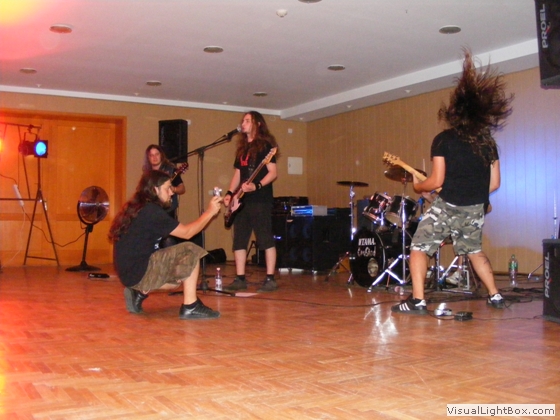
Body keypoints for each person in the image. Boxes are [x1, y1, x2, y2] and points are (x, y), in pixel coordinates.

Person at [392, 48, 514, 314]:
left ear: (455, 113)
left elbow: (436, 179)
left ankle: (418, 300)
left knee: (419, 246)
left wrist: (418, 186)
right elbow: (494, 184)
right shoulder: (488, 143)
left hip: (448, 205)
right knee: (474, 250)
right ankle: (495, 296)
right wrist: (472, 194)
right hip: (475, 207)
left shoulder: (444, 140)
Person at [109, 170, 222, 319]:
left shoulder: (139, 208)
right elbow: (187, 233)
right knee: (191, 250)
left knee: (177, 279)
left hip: (130, 273)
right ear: (155, 189)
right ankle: (191, 306)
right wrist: (209, 212)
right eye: (168, 188)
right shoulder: (151, 211)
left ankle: (138, 292)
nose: (172, 192)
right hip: (138, 271)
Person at [222, 111, 279, 292]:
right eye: (243, 120)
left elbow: (273, 173)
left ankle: (270, 279)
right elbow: (238, 174)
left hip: (260, 200)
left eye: (248, 120)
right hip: (242, 201)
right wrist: (230, 193)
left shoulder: (266, 147)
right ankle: (240, 279)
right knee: (239, 240)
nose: (243, 123)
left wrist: (257, 186)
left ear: (258, 124)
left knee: (265, 238)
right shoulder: (242, 149)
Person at [143, 144, 186, 220]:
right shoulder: (147, 174)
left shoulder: (171, 171)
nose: (154, 157)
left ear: (161, 155)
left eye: (157, 154)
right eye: (151, 155)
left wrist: (174, 189)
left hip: (168, 210)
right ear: (148, 158)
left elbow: (182, 189)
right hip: (152, 211)